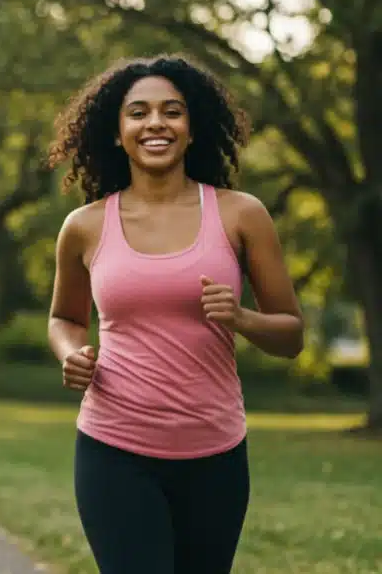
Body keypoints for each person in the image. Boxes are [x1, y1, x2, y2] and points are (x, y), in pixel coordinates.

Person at [45, 55, 305, 574]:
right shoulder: (84, 226)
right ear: (117, 132)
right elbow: (64, 318)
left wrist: (242, 319)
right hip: (114, 447)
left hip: (215, 452)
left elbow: (292, 334)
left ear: (192, 128)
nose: (156, 123)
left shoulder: (241, 214)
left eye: (172, 111)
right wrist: (72, 352)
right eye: (138, 113)